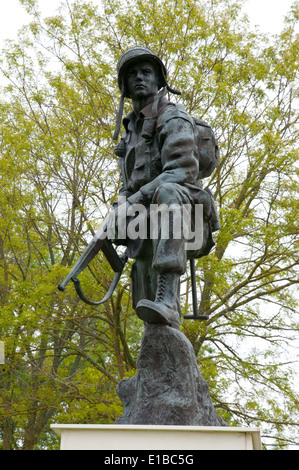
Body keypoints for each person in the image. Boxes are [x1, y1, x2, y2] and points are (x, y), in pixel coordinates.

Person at [111, 46, 219, 330]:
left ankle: (169, 299)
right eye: (132, 74)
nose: (139, 78)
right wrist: (120, 208)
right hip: (147, 226)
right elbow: (128, 184)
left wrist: (134, 199)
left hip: (187, 217)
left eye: (146, 72)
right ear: (124, 85)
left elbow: (183, 169)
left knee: (167, 192)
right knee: (151, 317)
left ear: (159, 80)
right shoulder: (131, 130)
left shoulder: (172, 116)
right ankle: (152, 363)